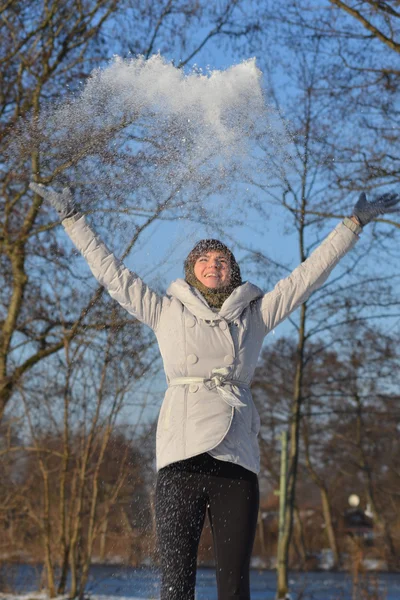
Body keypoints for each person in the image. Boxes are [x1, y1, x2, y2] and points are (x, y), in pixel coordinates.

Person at [30, 182, 399, 600]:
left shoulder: (255, 315)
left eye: (221, 259)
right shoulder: (164, 310)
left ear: (232, 270)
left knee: (234, 587)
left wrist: (352, 225)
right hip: (179, 458)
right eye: (203, 259)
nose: (213, 264)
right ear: (191, 270)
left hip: (236, 459)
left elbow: (307, 276)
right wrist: (74, 219)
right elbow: (112, 274)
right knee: (176, 587)